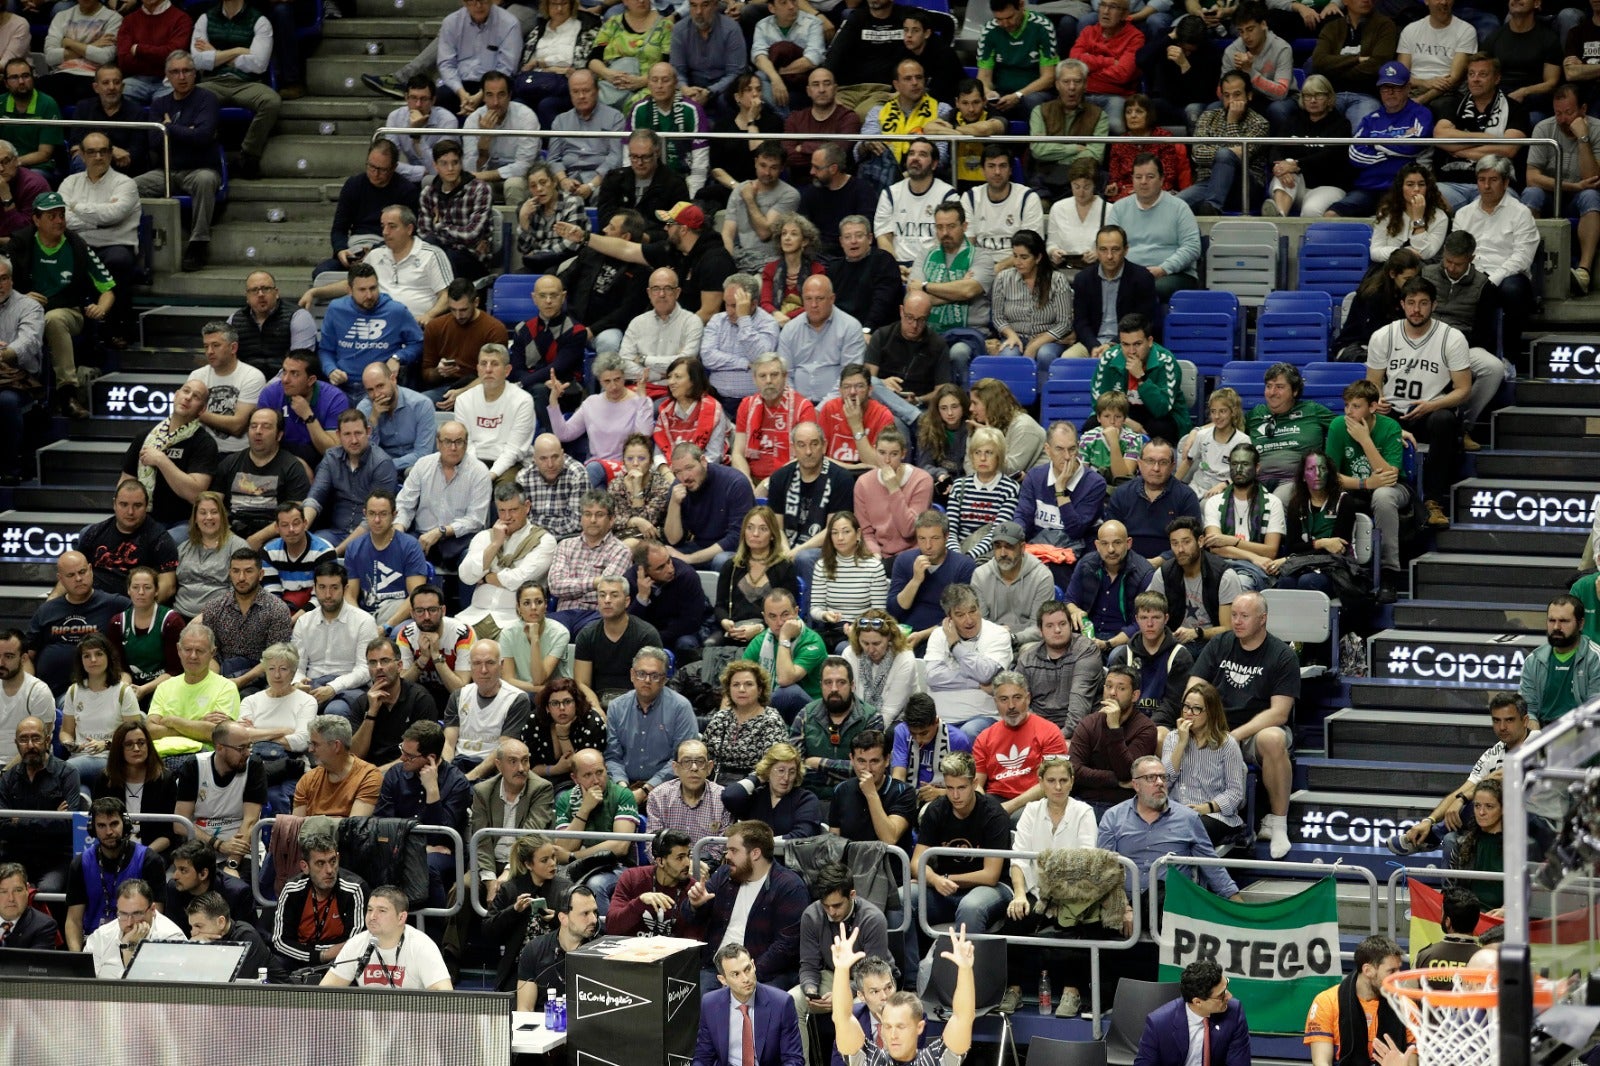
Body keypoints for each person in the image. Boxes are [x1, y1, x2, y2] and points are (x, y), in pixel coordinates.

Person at [1186, 591, 1300, 858]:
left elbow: (1279, 713)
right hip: (1215, 726)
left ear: (1263, 619)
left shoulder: (1282, 655)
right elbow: (1195, 687)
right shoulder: (1220, 644)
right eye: (1234, 614)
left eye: (1244, 616)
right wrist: (1196, 716)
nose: (1236, 621)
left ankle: (1279, 823)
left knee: (1273, 738)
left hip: (1254, 731)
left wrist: (1235, 735)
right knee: (1170, 734)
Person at [1365, 276, 1470, 530]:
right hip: (1392, 413)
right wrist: (1377, 399)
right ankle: (1375, 493)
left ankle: (1434, 501)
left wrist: (1432, 405)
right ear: (1402, 304)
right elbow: (1373, 383)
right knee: (1363, 418)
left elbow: (1464, 390)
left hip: (1428, 412)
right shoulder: (1383, 336)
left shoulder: (1451, 338)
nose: (1416, 309)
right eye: (1411, 303)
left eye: (1423, 303)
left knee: (1445, 420)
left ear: (1433, 305)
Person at [1098, 754, 1243, 912]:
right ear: (1136, 785)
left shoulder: (1188, 818)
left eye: (1163, 777)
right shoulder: (1113, 817)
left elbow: (1211, 865)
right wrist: (1123, 909)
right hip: (1126, 907)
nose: (1160, 783)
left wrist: (1239, 906)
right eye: (1151, 778)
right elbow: (1105, 871)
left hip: (1171, 907)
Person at [683, 819, 809, 991]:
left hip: (764, 972)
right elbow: (690, 918)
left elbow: (786, 946)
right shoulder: (724, 875)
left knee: (758, 1006)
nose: (727, 856)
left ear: (755, 853)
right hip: (716, 969)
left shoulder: (789, 887)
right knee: (698, 1003)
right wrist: (694, 904)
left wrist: (746, 974)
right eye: (727, 850)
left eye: (734, 850)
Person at [831, 922, 975, 1066]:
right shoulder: (873, 1060)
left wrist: (965, 970)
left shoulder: (935, 1059)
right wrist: (841, 970)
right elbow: (842, 1018)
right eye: (887, 1027)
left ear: (919, 1027)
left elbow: (963, 1017)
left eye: (901, 1027)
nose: (893, 1035)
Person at [134, 52, 217, 271]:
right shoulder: (160, 104)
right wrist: (186, 131)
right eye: (175, 72)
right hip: (166, 170)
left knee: (206, 180)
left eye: (186, 71)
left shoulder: (206, 99)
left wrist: (169, 129)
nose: (181, 77)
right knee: (131, 186)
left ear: (195, 73)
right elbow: (153, 140)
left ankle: (198, 244)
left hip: (199, 168)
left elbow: (203, 137)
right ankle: (135, 241)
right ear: (167, 77)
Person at [377, 720, 473, 906]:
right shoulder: (394, 775)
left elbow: (442, 837)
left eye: (409, 755)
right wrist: (418, 848)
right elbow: (382, 825)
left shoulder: (457, 783)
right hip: (399, 849)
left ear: (430, 757)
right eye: (402, 750)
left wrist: (432, 792)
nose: (402, 758)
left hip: (444, 855)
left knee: (426, 866)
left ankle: (436, 929)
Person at [1329, 61, 1435, 218]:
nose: (1390, 93)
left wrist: (1375, 142)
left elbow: (1413, 146)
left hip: (1401, 188)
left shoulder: (1421, 114)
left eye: (1396, 87)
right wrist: (1391, 150)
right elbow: (1355, 154)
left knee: (1384, 217)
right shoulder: (1371, 119)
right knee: (1330, 216)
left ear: (1407, 88)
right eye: (1385, 88)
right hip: (1368, 187)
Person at [63, 797, 167, 952]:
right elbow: (73, 920)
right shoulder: (80, 864)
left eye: (114, 824)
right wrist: (78, 960)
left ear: (125, 824)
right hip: (94, 942)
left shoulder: (149, 860)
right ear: (93, 829)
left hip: (137, 941)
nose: (109, 832)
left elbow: (156, 916)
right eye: (101, 826)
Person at [1523, 84, 1600, 293]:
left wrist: (1583, 139)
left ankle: (1583, 272)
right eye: (1558, 113)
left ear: (1583, 109)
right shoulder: (1544, 128)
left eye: (1569, 112)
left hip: (1580, 198)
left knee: (1592, 196)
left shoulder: (1597, 129)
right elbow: (1531, 177)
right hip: (1550, 195)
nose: (1563, 119)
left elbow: (1591, 178)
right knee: (1531, 194)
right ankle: (1529, 268)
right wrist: (1573, 186)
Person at [0, 716, 86, 897]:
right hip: (16, 856)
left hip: (56, 857)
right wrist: (51, 818)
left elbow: (66, 824)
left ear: (47, 740)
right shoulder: (8, 779)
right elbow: (3, 826)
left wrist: (19, 821)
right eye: (24, 739)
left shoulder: (67, 774)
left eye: (36, 738)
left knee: (49, 890)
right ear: (16, 744)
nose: (30, 745)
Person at [314, 265, 424, 406]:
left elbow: (418, 342)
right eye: (362, 290)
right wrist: (331, 370)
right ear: (349, 290)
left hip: (377, 388)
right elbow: (325, 349)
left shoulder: (396, 311)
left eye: (373, 288)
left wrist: (398, 358)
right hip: (342, 385)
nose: (369, 295)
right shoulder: (336, 309)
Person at [1432, 56, 1528, 213]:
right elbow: (1440, 137)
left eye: (1482, 74)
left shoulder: (1515, 109)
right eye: (1471, 74)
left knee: (1488, 208)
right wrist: (1486, 138)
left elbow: (1508, 149)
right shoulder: (1454, 105)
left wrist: (1459, 150)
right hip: (1451, 183)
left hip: (1497, 183)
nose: (1475, 79)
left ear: (1497, 78)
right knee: (1424, 198)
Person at [552, 747, 642, 913]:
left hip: (617, 867)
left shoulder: (623, 795)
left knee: (595, 884)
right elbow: (563, 848)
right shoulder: (566, 799)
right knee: (554, 882)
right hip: (576, 867)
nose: (596, 780)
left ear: (606, 769)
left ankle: (606, 935)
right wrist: (584, 810)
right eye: (587, 775)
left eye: (600, 772)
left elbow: (620, 846)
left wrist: (574, 857)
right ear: (575, 778)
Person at [28, 552, 130, 698]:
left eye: (82, 572)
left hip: (96, 692)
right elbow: (26, 656)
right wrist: (29, 689)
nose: (78, 578)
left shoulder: (115, 604)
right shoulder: (47, 610)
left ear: (90, 570)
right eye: (70, 575)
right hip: (49, 693)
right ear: (60, 579)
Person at [604, 645, 698, 802]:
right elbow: (613, 756)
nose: (647, 680)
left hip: (669, 788)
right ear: (632, 675)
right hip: (623, 786)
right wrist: (623, 788)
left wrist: (647, 790)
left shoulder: (680, 708)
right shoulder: (616, 707)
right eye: (641, 674)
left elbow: (682, 759)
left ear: (664, 679)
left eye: (654, 675)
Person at [1303, 935, 1415, 1066]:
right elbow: (1321, 1062)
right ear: (1368, 970)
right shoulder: (1326, 1002)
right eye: (1391, 971)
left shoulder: (1406, 1008)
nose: (1398, 977)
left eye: (1399, 969)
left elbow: (1413, 1062)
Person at [394, 423, 492, 570]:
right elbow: (404, 505)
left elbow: (476, 519)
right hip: (422, 536)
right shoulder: (422, 465)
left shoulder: (479, 472)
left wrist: (441, 531)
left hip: (460, 539)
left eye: (458, 442)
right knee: (397, 548)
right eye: (447, 441)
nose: (453, 448)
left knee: (471, 561)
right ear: (438, 443)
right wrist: (398, 529)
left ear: (466, 444)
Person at [270, 827, 368, 973]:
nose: (329, 870)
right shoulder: (292, 890)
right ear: (305, 867)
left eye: (333, 861)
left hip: (339, 962)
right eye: (320, 863)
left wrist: (319, 953)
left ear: (338, 859)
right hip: (299, 959)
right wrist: (321, 954)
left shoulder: (354, 889)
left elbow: (355, 944)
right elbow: (280, 941)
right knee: (274, 964)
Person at [1162, 679, 1247, 847]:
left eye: (1196, 709)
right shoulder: (1173, 738)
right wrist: (1181, 743)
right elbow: (1164, 781)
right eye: (1186, 706)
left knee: (1191, 827)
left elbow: (1235, 792)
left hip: (1215, 815)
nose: (1189, 713)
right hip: (1176, 812)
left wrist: (1206, 807)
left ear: (1210, 712)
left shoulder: (1227, 744)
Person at [171, 720, 266, 871]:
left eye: (249, 746)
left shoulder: (253, 765)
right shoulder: (194, 766)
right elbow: (181, 824)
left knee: (236, 888)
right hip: (199, 847)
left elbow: (250, 821)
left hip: (241, 848)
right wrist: (218, 844)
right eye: (241, 748)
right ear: (220, 748)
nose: (247, 752)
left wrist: (232, 864)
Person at [1105, 154, 1201, 300]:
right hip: (1128, 273)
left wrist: (1163, 269)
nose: (1143, 182)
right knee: (1088, 281)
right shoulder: (1119, 208)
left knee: (1145, 287)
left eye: (1150, 177)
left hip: (1172, 274)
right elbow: (1108, 243)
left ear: (1161, 180)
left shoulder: (1179, 207)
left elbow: (1192, 247)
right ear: (1132, 179)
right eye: (1138, 177)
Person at [321, 884, 453, 989]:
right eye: (370, 909)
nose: (372, 917)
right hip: (366, 1023)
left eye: (382, 911)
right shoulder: (356, 944)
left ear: (401, 917)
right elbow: (326, 992)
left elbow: (444, 996)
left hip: (411, 1022)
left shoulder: (422, 946)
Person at [1068, 666, 1157, 816]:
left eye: (1121, 688)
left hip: (1123, 806)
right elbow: (1074, 770)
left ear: (1135, 695)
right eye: (1108, 686)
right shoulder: (1088, 723)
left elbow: (1127, 773)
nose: (1112, 693)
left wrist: (1114, 728)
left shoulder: (1146, 728)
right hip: (1084, 803)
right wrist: (1116, 781)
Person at [1263, 75, 1354, 218]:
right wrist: (1281, 167)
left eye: (1318, 95)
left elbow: (1330, 156)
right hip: (1296, 184)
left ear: (1329, 98)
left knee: (1311, 210)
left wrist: (1296, 164)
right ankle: (1279, 217)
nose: (1312, 100)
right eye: (1308, 95)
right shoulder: (1293, 121)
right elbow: (1276, 148)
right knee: (1284, 173)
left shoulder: (1341, 125)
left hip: (1328, 185)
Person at [543, 490, 632, 635]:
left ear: (611, 520)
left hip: (596, 615)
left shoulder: (621, 551)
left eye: (599, 514)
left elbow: (606, 588)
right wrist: (594, 582)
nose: (592, 520)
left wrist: (575, 586)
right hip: (563, 614)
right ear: (581, 518)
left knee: (590, 635)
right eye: (587, 514)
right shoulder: (565, 545)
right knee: (538, 634)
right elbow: (556, 586)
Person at [146, 623, 240, 758]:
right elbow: (150, 730)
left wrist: (174, 721)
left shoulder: (226, 687)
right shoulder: (164, 686)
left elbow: (216, 733)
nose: (193, 656)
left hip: (200, 756)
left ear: (212, 653)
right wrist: (197, 725)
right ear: (179, 650)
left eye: (200, 651)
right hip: (160, 756)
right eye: (188, 649)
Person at [712, 506, 800, 649]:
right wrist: (725, 622)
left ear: (772, 535)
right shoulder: (731, 566)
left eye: (763, 529)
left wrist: (760, 627)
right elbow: (720, 606)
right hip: (735, 630)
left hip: (770, 633)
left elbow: (789, 612)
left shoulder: (784, 567)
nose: (755, 534)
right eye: (750, 528)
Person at [1136, 958, 1253, 1066]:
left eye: (1226, 987)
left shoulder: (1234, 1012)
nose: (1229, 996)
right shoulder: (1159, 1023)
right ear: (1198, 1002)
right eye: (1221, 995)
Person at [347, 636, 440, 770]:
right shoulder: (361, 703)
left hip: (409, 774)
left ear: (399, 666)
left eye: (384, 661)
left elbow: (422, 755)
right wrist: (371, 714)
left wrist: (377, 774)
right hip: (368, 774)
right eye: (372, 662)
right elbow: (354, 755)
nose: (378, 667)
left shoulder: (420, 699)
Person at [58, 635, 139, 786]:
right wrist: (69, 743)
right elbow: (66, 731)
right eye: (87, 656)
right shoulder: (74, 690)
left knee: (62, 772)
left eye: (99, 654)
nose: (93, 660)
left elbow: (134, 735)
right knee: (79, 789)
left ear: (109, 657)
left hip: (110, 759)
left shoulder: (123, 691)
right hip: (78, 757)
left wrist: (106, 744)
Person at [344, 489, 430, 629]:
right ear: (365, 514)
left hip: (399, 617)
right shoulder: (354, 547)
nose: (377, 520)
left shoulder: (410, 546)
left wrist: (386, 627)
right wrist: (363, 624)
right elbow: (349, 595)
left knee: (400, 631)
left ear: (394, 515)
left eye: (383, 514)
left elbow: (416, 596)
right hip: (367, 616)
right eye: (372, 514)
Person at [1149, 517, 1241, 647]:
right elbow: (1151, 615)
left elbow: (1229, 628)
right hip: (1175, 642)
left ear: (1200, 541)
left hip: (1212, 644)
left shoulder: (1224, 576)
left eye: (1186, 542)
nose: (1180, 549)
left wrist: (1198, 633)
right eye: (1174, 543)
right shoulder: (1164, 574)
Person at [888, 511, 978, 640]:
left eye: (935, 538)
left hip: (943, 635)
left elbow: (961, 617)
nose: (928, 546)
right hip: (905, 632)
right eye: (922, 539)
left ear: (946, 537)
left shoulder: (964, 566)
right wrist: (915, 580)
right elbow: (893, 611)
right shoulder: (904, 560)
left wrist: (922, 635)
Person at [574, 575, 662, 706]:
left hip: (637, 703)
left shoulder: (646, 635)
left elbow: (651, 683)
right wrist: (596, 710)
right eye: (602, 595)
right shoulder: (587, 635)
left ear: (627, 601)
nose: (607, 600)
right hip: (597, 702)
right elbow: (582, 683)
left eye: (614, 595)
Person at [668, 441, 758, 569]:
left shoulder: (735, 483)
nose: (685, 477)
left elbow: (736, 538)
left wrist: (689, 559)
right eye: (678, 472)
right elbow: (673, 540)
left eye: (689, 468)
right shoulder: (678, 487)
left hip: (736, 550)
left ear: (703, 462)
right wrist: (674, 504)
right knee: (665, 557)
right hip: (700, 546)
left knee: (721, 561)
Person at [872, 138, 955, 273]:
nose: (915, 158)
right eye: (911, 153)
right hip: (898, 265)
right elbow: (883, 237)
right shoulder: (890, 193)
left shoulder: (948, 195)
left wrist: (923, 270)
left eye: (922, 154)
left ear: (934, 164)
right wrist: (894, 268)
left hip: (934, 266)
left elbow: (950, 240)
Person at [514, 884, 599, 1010]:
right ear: (563, 918)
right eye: (585, 913)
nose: (594, 920)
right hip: (545, 1025)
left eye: (595, 912)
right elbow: (525, 1009)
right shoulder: (534, 950)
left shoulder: (603, 951)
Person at [1519, 595, 1600, 726]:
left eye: (1564, 621)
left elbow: (1596, 711)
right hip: (1543, 733)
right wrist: (1535, 735)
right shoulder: (1534, 660)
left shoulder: (1596, 659)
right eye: (1551, 620)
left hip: (1583, 734)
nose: (1556, 627)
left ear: (1580, 624)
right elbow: (1528, 709)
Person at [83, 878, 186, 979]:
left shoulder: (171, 939)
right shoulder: (102, 936)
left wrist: (131, 947)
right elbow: (85, 983)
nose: (129, 922)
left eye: (136, 914)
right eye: (123, 914)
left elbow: (152, 989)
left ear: (153, 909)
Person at [109, 567, 184, 705]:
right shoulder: (117, 622)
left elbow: (176, 670)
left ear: (156, 591)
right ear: (128, 590)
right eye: (136, 587)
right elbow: (119, 667)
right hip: (132, 685)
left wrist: (144, 689)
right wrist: (126, 687)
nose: (141, 592)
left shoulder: (171, 621)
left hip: (165, 687)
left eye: (147, 587)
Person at [546, 70, 625, 197]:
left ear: (597, 90)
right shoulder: (560, 121)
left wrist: (591, 185)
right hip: (569, 177)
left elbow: (615, 158)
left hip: (600, 179)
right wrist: (563, 180)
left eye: (586, 91)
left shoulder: (615, 117)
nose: (581, 96)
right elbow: (553, 159)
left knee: (604, 194)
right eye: (575, 92)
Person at [608, 826, 693, 938]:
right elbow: (612, 927)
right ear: (660, 861)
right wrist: (639, 903)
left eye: (688, 856)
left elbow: (695, 941)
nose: (687, 863)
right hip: (632, 951)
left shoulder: (692, 890)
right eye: (680, 858)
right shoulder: (632, 878)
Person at [293, 714, 382, 818]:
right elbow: (295, 827)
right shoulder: (308, 779)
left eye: (315, 744)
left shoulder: (368, 776)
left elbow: (355, 827)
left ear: (336, 746)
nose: (310, 750)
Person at [526, 679, 607, 793]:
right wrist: (554, 770)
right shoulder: (535, 720)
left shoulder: (592, 722)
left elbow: (581, 768)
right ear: (547, 708)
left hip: (583, 783)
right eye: (555, 703)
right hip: (540, 779)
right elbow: (527, 767)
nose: (562, 708)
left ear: (576, 703)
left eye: (567, 701)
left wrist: (563, 735)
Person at [262, 501, 338, 616]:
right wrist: (283, 619)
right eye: (285, 525)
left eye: (296, 523)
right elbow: (272, 593)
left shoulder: (324, 552)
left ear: (305, 523)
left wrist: (295, 620)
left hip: (318, 614)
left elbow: (323, 596)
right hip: (281, 614)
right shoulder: (269, 552)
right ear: (277, 528)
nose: (291, 529)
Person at [163, 841, 252, 937]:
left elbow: (245, 937)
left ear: (203, 874)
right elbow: (173, 933)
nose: (175, 876)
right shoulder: (174, 888)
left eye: (183, 870)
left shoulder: (237, 892)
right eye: (175, 869)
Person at [833, 215, 905, 333]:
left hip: (878, 332)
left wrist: (867, 330)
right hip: (842, 332)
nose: (853, 241)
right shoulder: (834, 268)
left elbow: (882, 303)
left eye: (859, 235)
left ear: (870, 238)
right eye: (847, 237)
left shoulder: (883, 261)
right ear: (841, 242)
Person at [0, 861, 58, 949]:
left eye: (18, 890)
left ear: (27, 890)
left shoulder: (44, 926)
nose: (11, 898)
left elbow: (35, 962)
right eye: (3, 892)